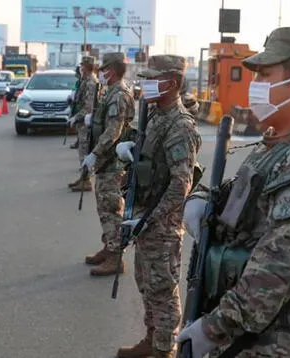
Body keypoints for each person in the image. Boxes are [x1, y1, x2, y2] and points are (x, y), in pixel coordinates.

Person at [176, 26, 290, 358]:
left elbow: (278, 269)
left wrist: (212, 328)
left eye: (264, 75)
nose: (254, 86)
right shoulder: (279, 145)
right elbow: (238, 199)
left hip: (282, 343)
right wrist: (202, 201)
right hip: (253, 336)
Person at [114, 55, 202, 358]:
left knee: (162, 291)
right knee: (145, 282)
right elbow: (151, 161)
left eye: (153, 79)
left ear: (173, 83)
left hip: (161, 222)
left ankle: (165, 349)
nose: (146, 84)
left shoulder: (179, 125)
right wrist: (131, 155)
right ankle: (152, 339)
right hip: (145, 215)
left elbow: (181, 184)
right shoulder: (154, 115)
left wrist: (149, 219)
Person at [82, 52, 135, 276]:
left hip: (112, 162)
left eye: (103, 69)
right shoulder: (111, 92)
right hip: (107, 160)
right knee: (104, 208)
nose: (101, 72)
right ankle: (109, 246)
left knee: (111, 209)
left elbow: (114, 130)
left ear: (111, 71)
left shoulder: (118, 95)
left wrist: (94, 153)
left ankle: (115, 257)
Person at [68, 56, 100, 192]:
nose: (81, 68)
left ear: (88, 67)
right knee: (82, 150)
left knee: (84, 151)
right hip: (82, 122)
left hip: (86, 122)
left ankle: (86, 181)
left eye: (83, 66)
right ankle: (83, 178)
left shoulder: (91, 82)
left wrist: (76, 117)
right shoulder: (84, 80)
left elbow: (89, 106)